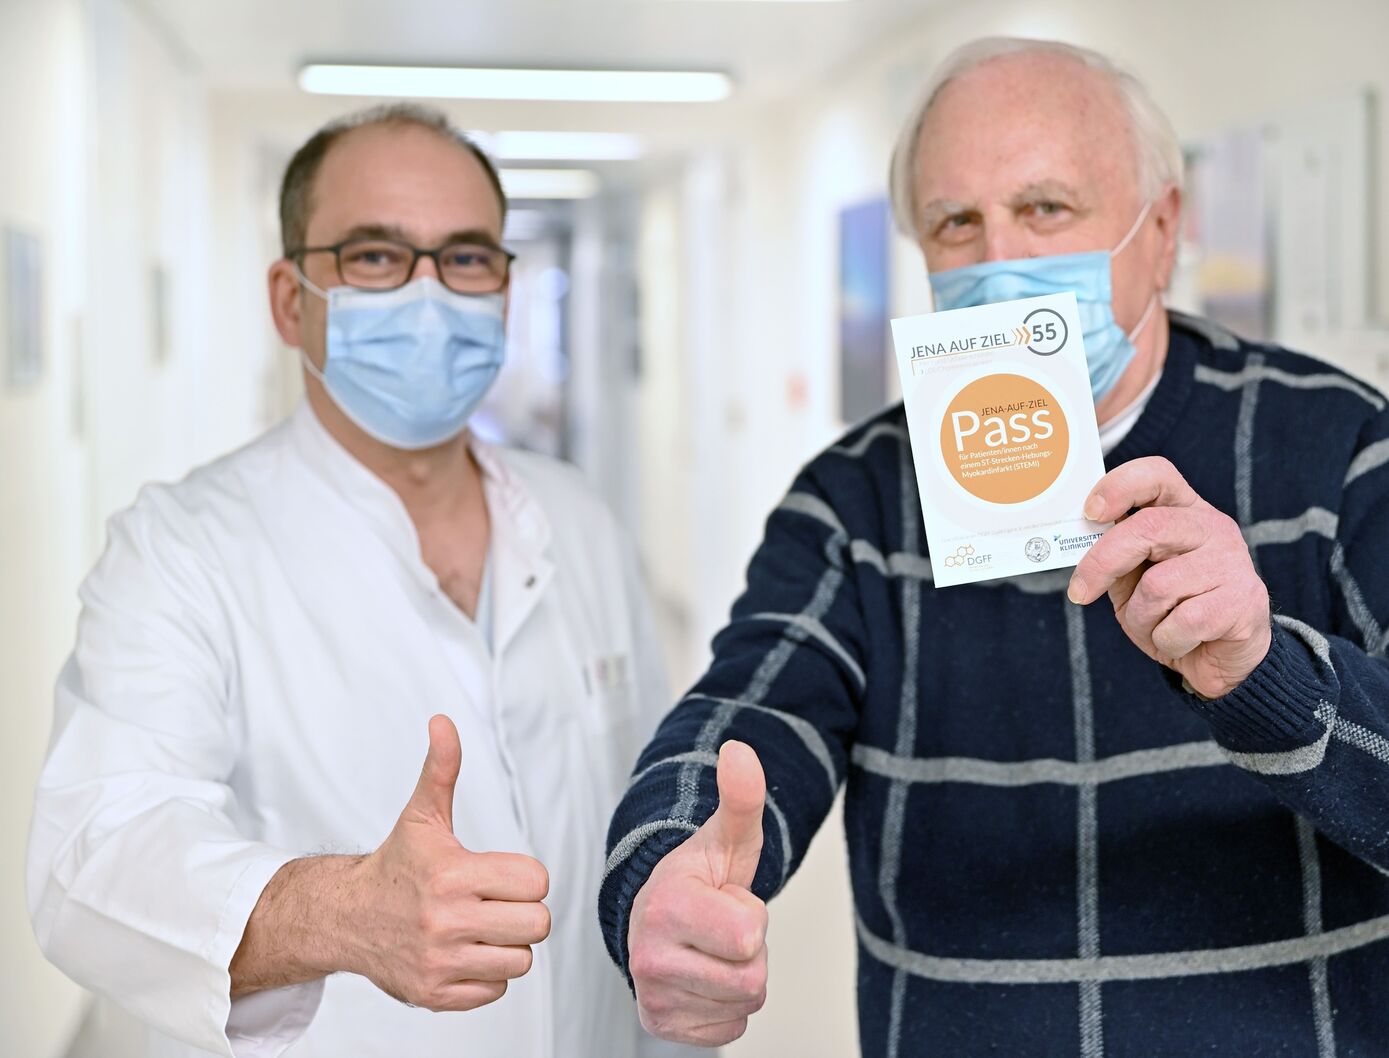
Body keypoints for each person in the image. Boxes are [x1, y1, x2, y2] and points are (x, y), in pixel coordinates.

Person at [599, 37, 1389, 1056]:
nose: (1000, 259)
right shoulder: (858, 498)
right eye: (956, 223)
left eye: (1047, 209)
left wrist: (1268, 672)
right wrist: (665, 862)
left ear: (1161, 230)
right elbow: (751, 705)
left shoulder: (1341, 445)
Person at [28, 104, 686, 1058]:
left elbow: (635, 807)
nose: (430, 294)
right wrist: (340, 913)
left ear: (503, 291)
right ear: (292, 301)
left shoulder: (578, 520)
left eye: (465, 258)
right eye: (376, 256)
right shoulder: (179, 549)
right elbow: (93, 858)